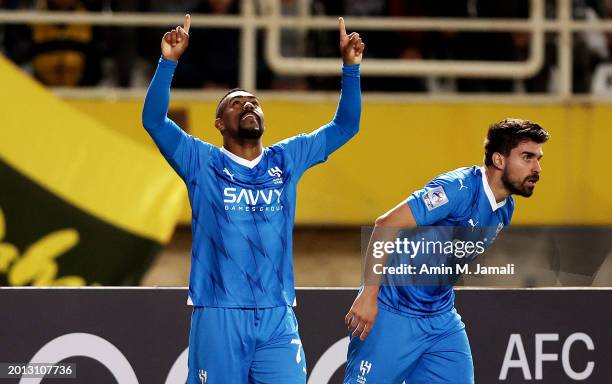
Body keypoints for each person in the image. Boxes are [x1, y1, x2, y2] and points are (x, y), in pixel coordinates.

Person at [142, 14, 364, 384]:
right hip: (219, 311)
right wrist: (168, 62)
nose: (248, 106)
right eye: (236, 103)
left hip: (277, 313)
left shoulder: (287, 159)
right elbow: (153, 120)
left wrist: (350, 68)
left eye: (254, 102)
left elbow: (346, 126)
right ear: (218, 123)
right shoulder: (201, 161)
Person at [343, 119, 550, 383]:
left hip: (441, 320)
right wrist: (369, 294)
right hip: (392, 312)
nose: (537, 168)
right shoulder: (456, 189)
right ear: (499, 160)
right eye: (527, 157)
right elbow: (387, 224)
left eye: (538, 159)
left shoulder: (505, 209)